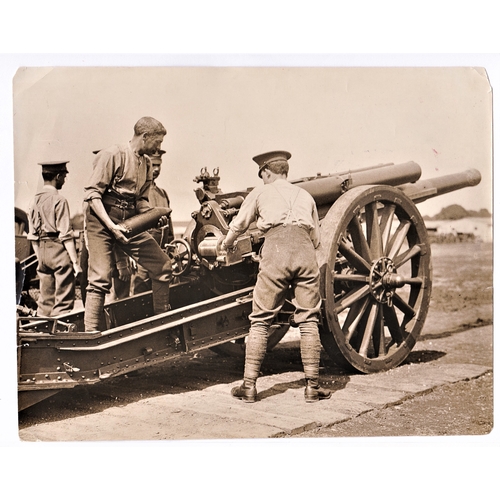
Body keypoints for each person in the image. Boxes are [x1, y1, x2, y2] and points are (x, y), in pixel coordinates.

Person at [222, 150, 331, 403]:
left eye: (262, 175)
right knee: (309, 320)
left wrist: (226, 244)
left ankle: (249, 387)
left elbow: (239, 225)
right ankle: (312, 387)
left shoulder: (260, 193)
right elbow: (316, 238)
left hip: (276, 252)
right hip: (304, 253)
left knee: (260, 321)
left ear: (267, 172)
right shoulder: (306, 195)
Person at [83, 116, 172, 331]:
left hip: (128, 223)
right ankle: (91, 334)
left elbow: (140, 200)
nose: (159, 147)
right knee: (100, 278)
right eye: (157, 142)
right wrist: (112, 227)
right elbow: (93, 195)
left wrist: (151, 216)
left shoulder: (147, 164)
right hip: (101, 222)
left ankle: (162, 324)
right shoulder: (112, 155)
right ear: (144, 136)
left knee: (163, 265)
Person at [27, 161, 82, 316]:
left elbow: (32, 235)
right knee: (63, 300)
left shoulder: (33, 201)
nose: (64, 180)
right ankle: (60, 330)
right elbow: (66, 235)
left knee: (45, 299)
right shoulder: (60, 201)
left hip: (42, 250)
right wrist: (75, 263)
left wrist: (40, 258)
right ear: (58, 177)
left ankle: (42, 326)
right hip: (58, 249)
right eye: (64, 177)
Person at [130, 148, 174, 295]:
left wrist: (172, 251)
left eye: (158, 165)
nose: (155, 169)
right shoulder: (136, 193)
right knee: (140, 293)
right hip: (142, 255)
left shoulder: (163, 194)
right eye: (152, 165)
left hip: (161, 254)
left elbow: (170, 229)